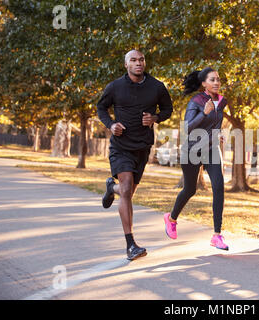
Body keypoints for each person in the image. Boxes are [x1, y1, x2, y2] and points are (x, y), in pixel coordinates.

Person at [97, 49, 173, 260]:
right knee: (127, 187)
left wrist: (155, 118)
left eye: (141, 60)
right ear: (126, 65)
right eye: (133, 60)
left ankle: (111, 188)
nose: (138, 63)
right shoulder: (115, 87)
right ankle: (131, 244)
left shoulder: (157, 87)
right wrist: (111, 125)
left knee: (127, 192)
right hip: (120, 147)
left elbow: (168, 110)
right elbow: (101, 108)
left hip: (143, 147)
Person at [163, 67, 229, 250]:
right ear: (204, 83)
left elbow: (215, 124)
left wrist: (218, 134)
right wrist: (204, 113)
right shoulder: (196, 101)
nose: (217, 82)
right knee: (190, 189)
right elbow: (188, 128)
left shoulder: (222, 102)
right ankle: (171, 218)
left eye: (218, 79)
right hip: (192, 150)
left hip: (212, 149)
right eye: (212, 80)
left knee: (219, 187)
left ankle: (217, 235)